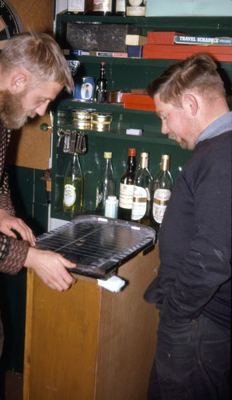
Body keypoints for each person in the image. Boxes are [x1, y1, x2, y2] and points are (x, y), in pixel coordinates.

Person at [0, 31, 76, 400]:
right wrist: (32, 258)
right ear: (18, 80)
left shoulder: (0, 109)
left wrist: (1, 210)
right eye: (42, 100)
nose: (42, 112)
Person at [144, 53, 231, 400]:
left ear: (191, 103)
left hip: (199, 324)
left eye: (165, 116)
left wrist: (176, 312)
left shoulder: (221, 157)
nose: (164, 129)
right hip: (201, 321)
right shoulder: (218, 151)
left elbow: (213, 256)